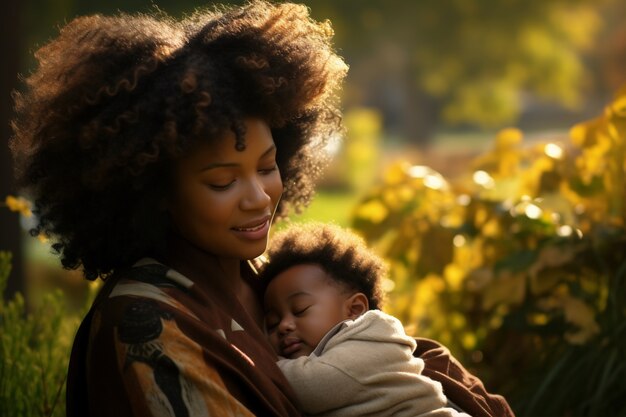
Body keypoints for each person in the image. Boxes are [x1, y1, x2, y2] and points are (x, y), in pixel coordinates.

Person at [10, 1, 348, 416]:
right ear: (156, 192)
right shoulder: (144, 326)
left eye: (266, 166)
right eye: (223, 182)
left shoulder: (269, 282)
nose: (259, 197)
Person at [261, 222, 472, 416]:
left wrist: (255, 354)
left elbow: (305, 387)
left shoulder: (369, 342)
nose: (283, 326)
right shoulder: (328, 355)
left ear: (354, 309)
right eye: (272, 323)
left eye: (300, 310)